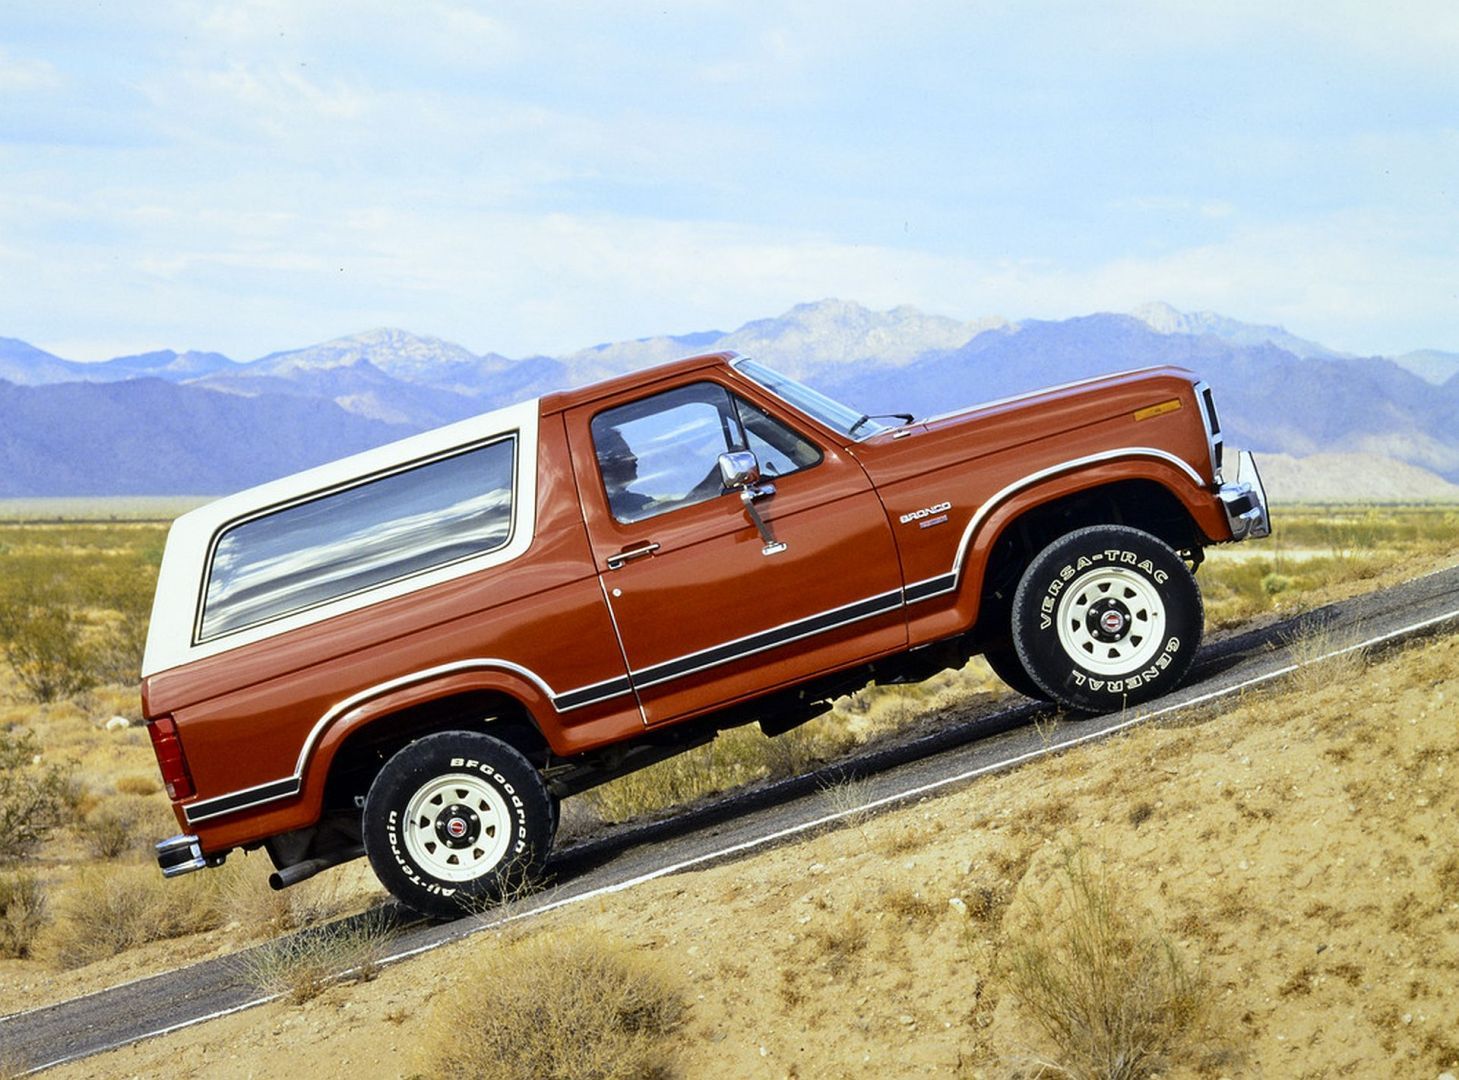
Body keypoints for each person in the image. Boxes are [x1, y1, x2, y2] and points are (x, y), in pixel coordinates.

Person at [595, 427, 654, 521]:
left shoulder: (632, 502)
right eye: (625, 453)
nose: (634, 457)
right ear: (605, 463)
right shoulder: (617, 510)